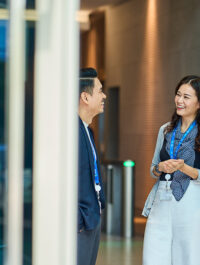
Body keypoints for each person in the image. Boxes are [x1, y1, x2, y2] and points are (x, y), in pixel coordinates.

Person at [142, 75, 200, 265]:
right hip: (161, 202)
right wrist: (159, 168)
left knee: (191, 258)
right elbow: (152, 169)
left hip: (194, 205)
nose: (179, 100)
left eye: (186, 97)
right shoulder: (165, 130)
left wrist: (186, 169)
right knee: (154, 257)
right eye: (178, 95)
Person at [77, 67, 106, 265]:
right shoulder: (70, 132)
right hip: (80, 222)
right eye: (100, 91)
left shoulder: (88, 131)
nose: (104, 96)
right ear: (85, 97)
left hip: (92, 218)